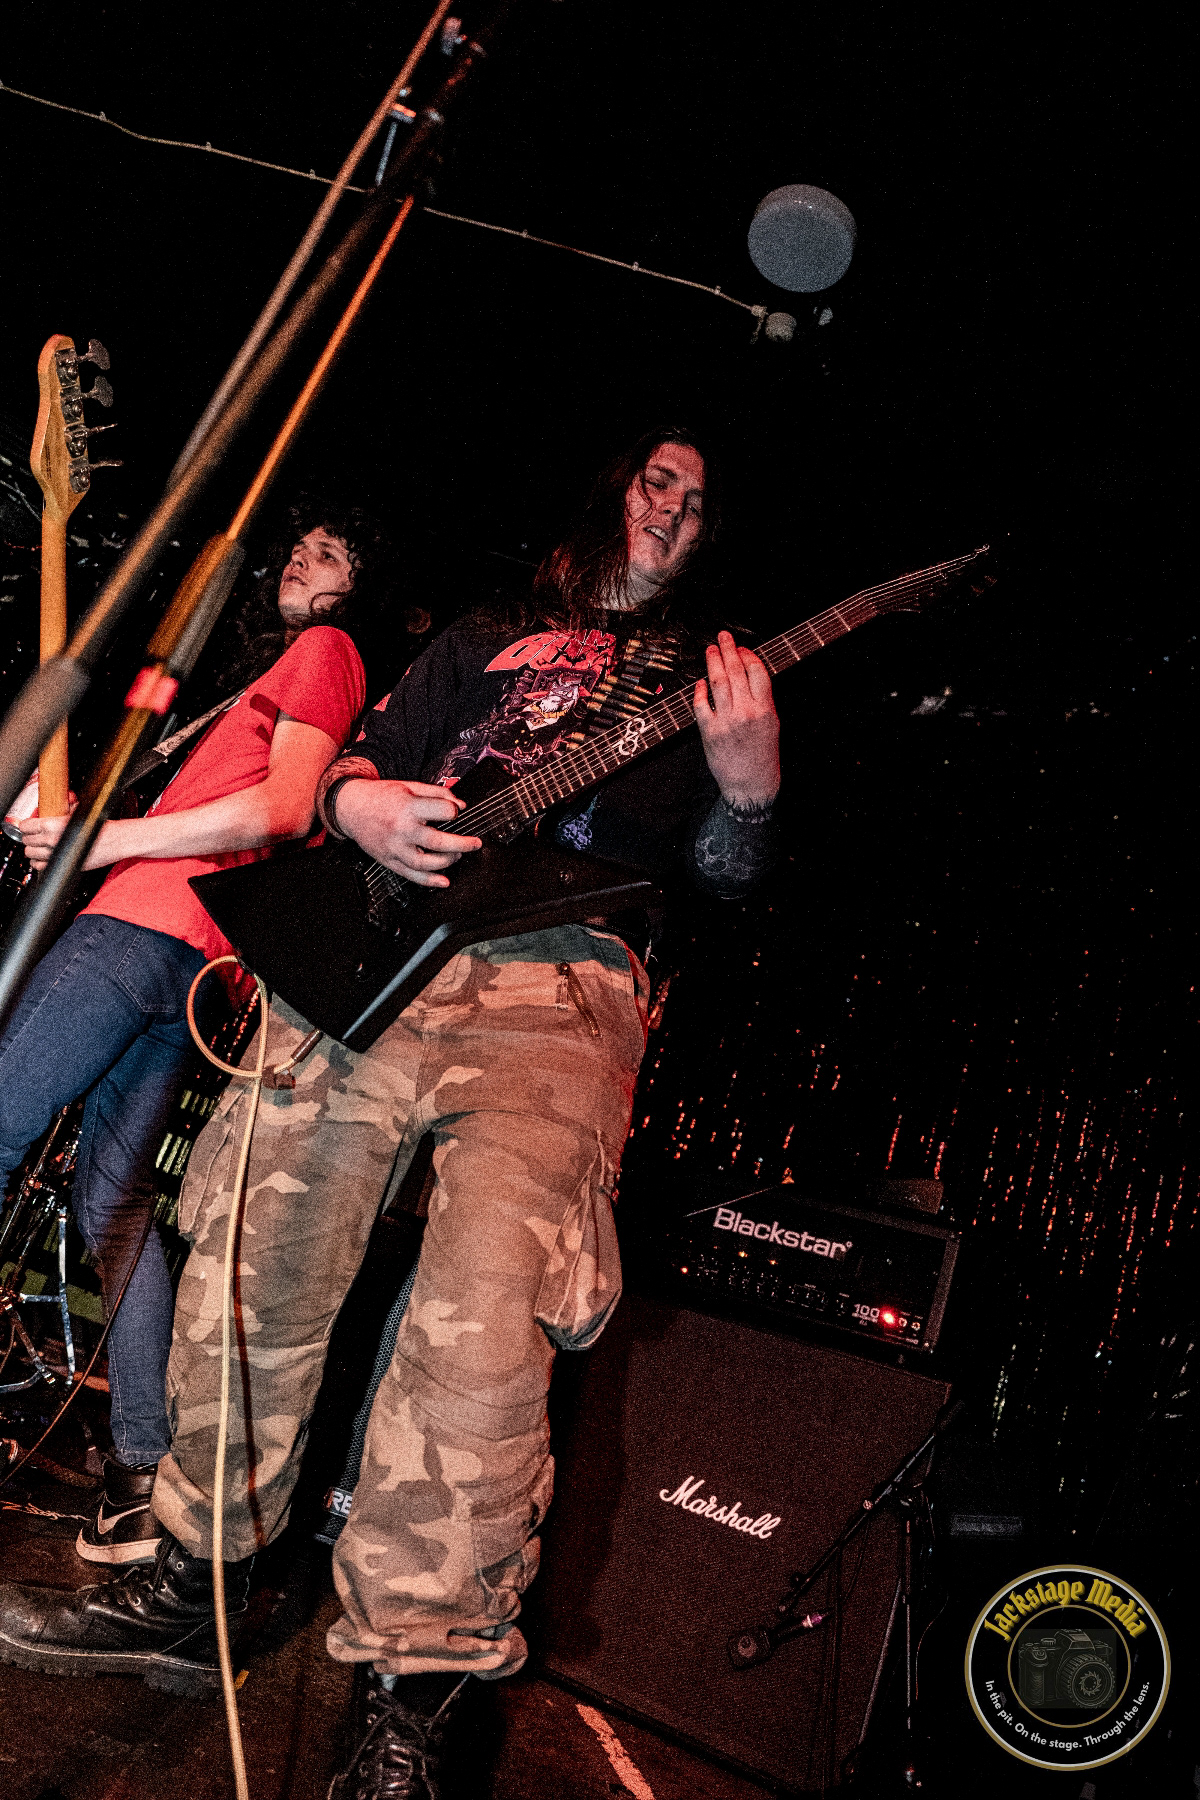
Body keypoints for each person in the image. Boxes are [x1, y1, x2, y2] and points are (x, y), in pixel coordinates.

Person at [0, 431, 780, 1800]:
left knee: (484, 1323)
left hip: (566, 980)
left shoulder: (713, 673)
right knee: (252, 1258)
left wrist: (752, 790)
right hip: (376, 954)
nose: (674, 507)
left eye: (699, 500)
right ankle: (195, 1583)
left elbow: (722, 874)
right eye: (658, 478)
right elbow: (349, 767)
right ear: (612, 488)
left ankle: (415, 1686)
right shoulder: (484, 633)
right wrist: (356, 802)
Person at [0, 500, 387, 1564]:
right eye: (300, 545)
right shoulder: (266, 671)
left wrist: (101, 841)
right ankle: (140, 1475)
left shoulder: (327, 652)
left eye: (332, 552)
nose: (304, 558)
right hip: (193, 963)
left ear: (360, 587)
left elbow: (284, 810)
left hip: (147, 929)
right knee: (115, 1209)